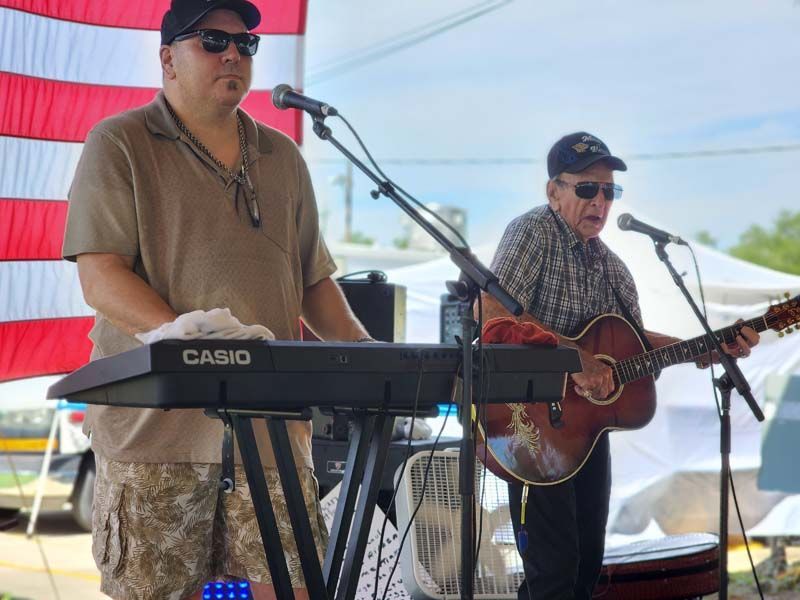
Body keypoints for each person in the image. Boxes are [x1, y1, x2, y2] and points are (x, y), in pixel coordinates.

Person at [62, 1, 372, 599]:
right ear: (167, 58)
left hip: (275, 435)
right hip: (156, 437)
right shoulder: (120, 142)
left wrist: (366, 353)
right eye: (211, 40)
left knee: (296, 589)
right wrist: (182, 334)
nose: (233, 53)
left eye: (245, 43)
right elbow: (100, 275)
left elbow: (313, 282)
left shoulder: (284, 157)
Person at [481, 131, 760, 600]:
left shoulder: (612, 267)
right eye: (587, 188)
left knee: (587, 567)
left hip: (586, 436)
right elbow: (491, 314)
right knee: (553, 573)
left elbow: (635, 344)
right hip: (529, 424)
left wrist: (707, 347)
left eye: (610, 191)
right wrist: (572, 358)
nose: (601, 201)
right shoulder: (532, 232)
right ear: (554, 191)